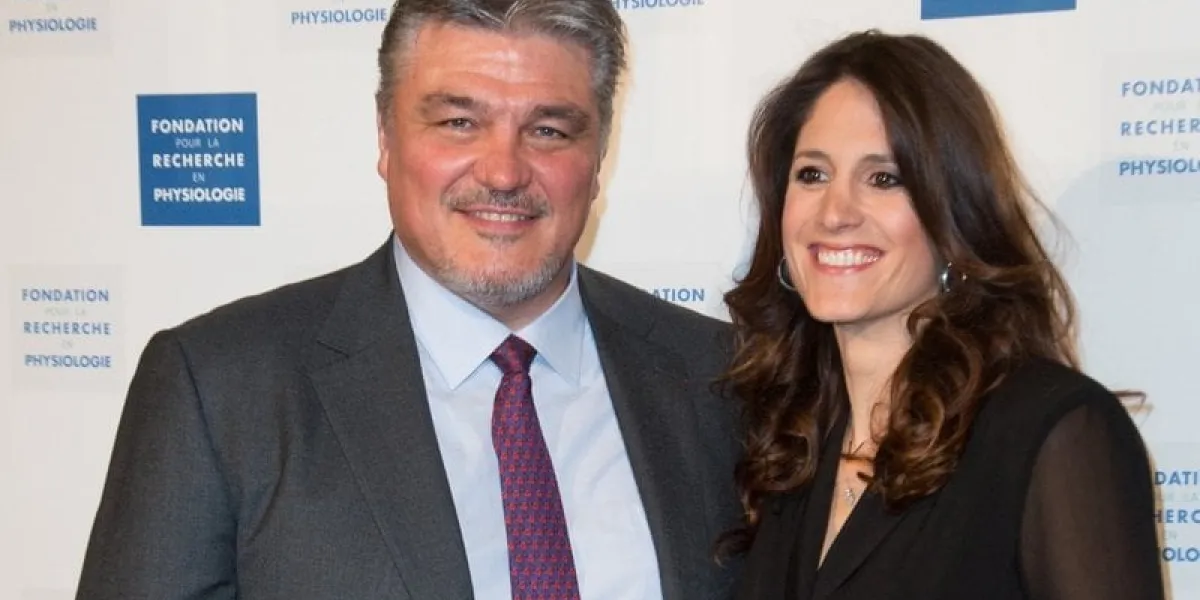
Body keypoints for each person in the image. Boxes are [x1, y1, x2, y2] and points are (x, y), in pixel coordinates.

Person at [75, 1, 742, 599]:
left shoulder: (718, 378)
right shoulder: (221, 390)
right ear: (386, 139)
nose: (503, 172)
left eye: (548, 131)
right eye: (458, 121)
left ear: (598, 158)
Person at [720, 30, 1165, 600]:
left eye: (884, 178)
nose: (835, 213)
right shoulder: (786, 445)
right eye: (812, 174)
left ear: (951, 212)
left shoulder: (1052, 433)